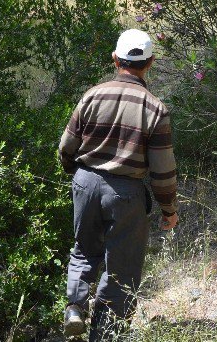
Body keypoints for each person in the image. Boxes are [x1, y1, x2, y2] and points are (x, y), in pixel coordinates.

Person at [58, 29, 179, 340]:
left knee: (83, 251)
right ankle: (105, 333)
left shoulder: (92, 95)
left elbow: (65, 147)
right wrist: (169, 210)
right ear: (150, 62)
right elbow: (162, 171)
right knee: (122, 267)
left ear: (115, 59)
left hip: (86, 181)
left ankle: (75, 307)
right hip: (126, 193)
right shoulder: (155, 108)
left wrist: (77, 175)